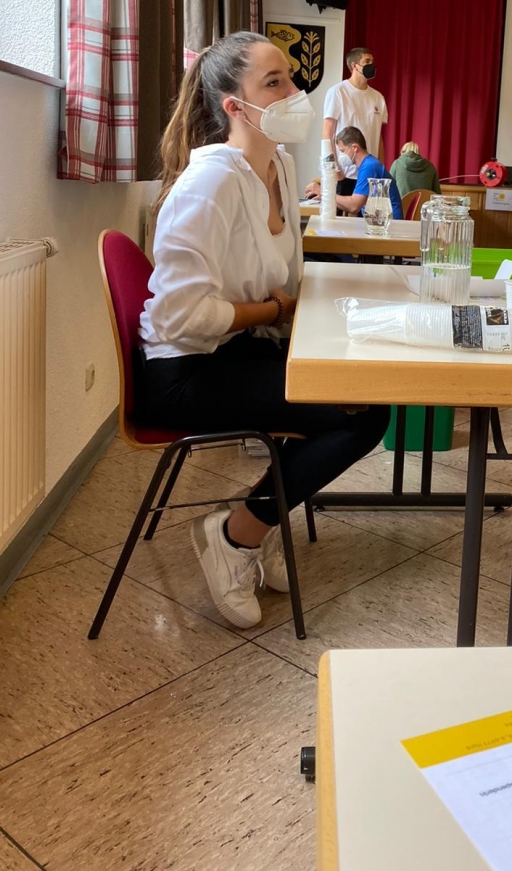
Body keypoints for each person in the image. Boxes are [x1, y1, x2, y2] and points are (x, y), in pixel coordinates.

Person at [137, 32, 389, 629]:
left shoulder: (276, 164)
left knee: (358, 400)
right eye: (273, 83)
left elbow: (283, 284)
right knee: (363, 414)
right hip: (182, 370)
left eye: (292, 80)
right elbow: (180, 316)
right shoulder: (211, 184)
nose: (294, 93)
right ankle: (237, 534)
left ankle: (257, 521)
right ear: (234, 106)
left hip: (237, 350)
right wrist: (273, 313)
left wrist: (303, 312)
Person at [321, 47, 388, 197]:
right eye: (367, 61)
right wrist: (334, 168)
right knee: (341, 217)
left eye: (373, 61)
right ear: (354, 66)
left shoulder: (378, 97)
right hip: (345, 172)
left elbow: (379, 137)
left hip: (369, 172)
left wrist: (381, 168)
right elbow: (327, 134)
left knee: (367, 217)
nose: (372, 65)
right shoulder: (338, 92)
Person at [307, 126, 404, 219]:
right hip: (380, 220)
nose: (341, 156)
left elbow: (354, 206)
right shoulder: (367, 165)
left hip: (388, 224)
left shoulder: (369, 167)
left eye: (343, 151)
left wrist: (323, 192)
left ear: (354, 148)